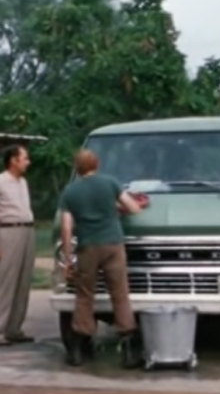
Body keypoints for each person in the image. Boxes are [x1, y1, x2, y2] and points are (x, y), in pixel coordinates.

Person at [59, 149, 147, 368]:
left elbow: (66, 227)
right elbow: (134, 209)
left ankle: (78, 350)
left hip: (88, 247)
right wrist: (120, 208)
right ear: (96, 164)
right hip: (113, 245)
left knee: (84, 296)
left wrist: (68, 259)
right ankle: (128, 351)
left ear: (77, 168)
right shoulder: (110, 183)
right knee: (119, 294)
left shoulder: (70, 192)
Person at [0, 144, 36, 346]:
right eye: (25, 158)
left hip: (27, 231)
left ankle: (14, 328)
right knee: (5, 282)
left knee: (23, 282)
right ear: (13, 160)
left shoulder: (23, 183)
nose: (28, 162)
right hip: (8, 231)